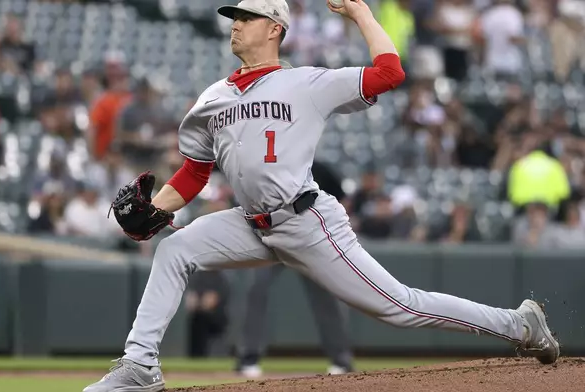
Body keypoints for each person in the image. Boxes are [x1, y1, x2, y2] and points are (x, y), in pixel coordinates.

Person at [83, 1, 559, 391]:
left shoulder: (307, 83)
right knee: (175, 248)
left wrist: (362, 16)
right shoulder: (213, 98)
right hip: (249, 224)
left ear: (274, 28)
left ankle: (519, 325)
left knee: (403, 307)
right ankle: (140, 366)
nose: (235, 25)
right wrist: (155, 208)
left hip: (306, 222)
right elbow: (193, 172)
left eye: (245, 18)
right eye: (234, 18)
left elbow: (389, 73)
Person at [234, 160, 354, 378]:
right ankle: (247, 357)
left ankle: (341, 359)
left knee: (327, 297)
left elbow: (343, 201)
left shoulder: (320, 168)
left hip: (311, 241)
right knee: (256, 290)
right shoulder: (268, 165)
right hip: (271, 238)